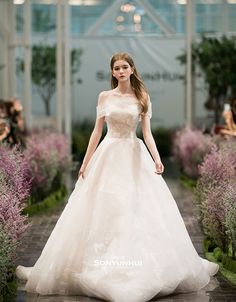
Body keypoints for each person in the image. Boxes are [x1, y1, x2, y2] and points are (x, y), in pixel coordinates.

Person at [16, 52, 219, 302]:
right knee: (105, 205)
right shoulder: (105, 97)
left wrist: (156, 158)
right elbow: (96, 132)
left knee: (137, 207)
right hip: (108, 153)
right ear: (112, 72)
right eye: (117, 68)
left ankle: (137, 263)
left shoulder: (142, 97)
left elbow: (147, 133)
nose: (121, 71)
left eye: (125, 67)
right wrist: (86, 161)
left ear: (132, 70)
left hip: (134, 154)